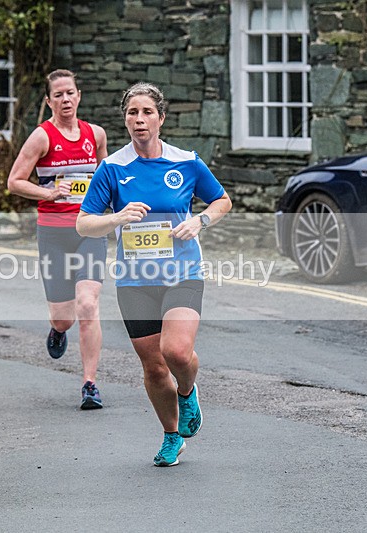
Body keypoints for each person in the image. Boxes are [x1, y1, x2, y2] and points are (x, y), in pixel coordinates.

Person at [76, 82, 232, 465]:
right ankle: (171, 435)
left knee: (175, 351)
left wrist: (199, 221)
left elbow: (222, 200)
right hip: (135, 281)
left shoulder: (186, 161)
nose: (139, 119)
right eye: (132, 113)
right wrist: (116, 218)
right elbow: (84, 223)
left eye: (147, 112)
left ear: (161, 118)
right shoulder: (112, 168)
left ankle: (188, 391)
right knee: (154, 366)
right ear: (125, 119)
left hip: (182, 271)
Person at [7, 69, 109, 410]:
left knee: (88, 305)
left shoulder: (96, 135)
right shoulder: (42, 137)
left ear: (79, 96)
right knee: (64, 318)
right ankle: (58, 329)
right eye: (58, 95)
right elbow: (15, 181)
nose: (65, 100)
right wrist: (47, 193)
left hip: (89, 230)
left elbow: (106, 178)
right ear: (49, 101)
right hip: (53, 233)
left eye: (70, 93)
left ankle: (90, 384)